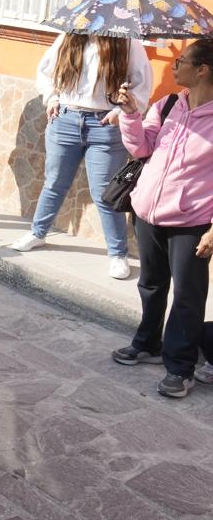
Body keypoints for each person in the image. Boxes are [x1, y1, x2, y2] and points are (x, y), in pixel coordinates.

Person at [10, 0, 152, 280]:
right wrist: (51, 98)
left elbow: (142, 82)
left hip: (105, 126)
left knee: (105, 193)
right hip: (65, 119)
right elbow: (45, 72)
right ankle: (38, 232)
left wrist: (118, 112)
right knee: (55, 183)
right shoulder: (70, 36)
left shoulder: (126, 41)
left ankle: (117, 253)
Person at [110, 39, 213, 398]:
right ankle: (148, 343)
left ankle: (180, 367)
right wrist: (129, 113)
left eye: (181, 61)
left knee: (187, 296)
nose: (174, 66)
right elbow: (140, 148)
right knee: (151, 285)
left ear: (202, 70)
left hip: (193, 222)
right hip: (148, 212)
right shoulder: (168, 104)